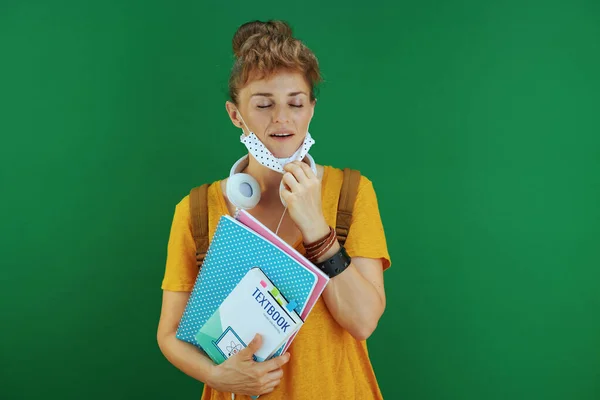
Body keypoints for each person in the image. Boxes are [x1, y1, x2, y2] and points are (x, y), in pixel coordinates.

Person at [157, 19, 392, 400]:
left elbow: (363, 321)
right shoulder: (197, 210)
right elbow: (169, 336)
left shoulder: (351, 193)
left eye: (295, 103)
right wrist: (221, 377)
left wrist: (316, 227)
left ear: (311, 109)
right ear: (236, 115)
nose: (282, 118)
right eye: (264, 104)